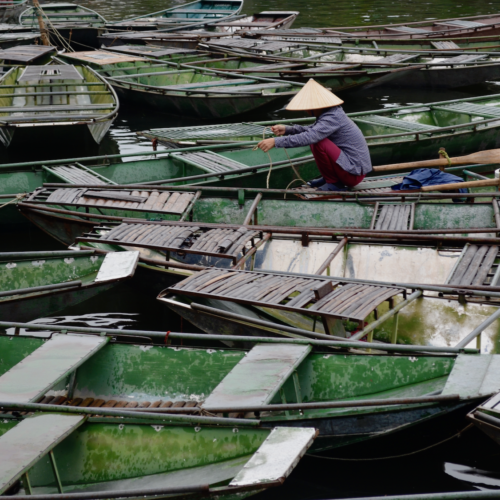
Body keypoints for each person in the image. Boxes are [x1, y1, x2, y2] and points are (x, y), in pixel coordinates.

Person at [257, 79, 372, 191]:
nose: (306, 111)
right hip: (351, 169)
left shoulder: (332, 117)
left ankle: (334, 183)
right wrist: (287, 130)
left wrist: (276, 142)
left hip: (354, 173)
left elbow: (310, 136)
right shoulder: (331, 113)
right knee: (316, 138)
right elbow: (312, 130)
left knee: (317, 141)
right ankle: (329, 178)